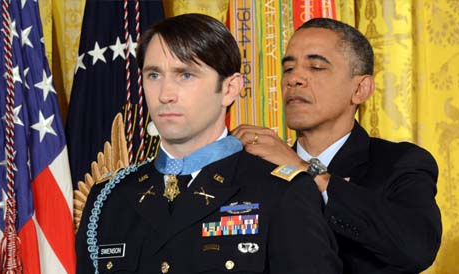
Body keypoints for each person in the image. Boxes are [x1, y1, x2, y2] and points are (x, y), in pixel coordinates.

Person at [75, 14, 342, 274]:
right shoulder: (109, 197)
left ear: (229, 88)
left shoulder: (280, 192)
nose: (165, 94)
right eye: (154, 75)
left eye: (185, 75)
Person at [233, 18, 442, 274]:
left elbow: (417, 248)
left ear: (360, 89)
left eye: (316, 67)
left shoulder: (400, 162)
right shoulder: (254, 168)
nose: (294, 79)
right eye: (288, 69)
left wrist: (305, 172)